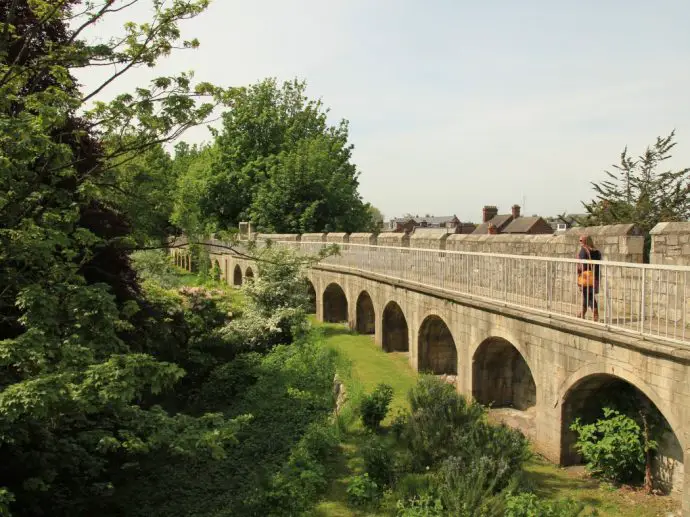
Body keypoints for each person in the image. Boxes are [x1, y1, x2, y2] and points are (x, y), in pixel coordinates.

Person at [576, 235, 601, 321]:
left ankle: (595, 314)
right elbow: (598, 266)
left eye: (581, 240)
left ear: (585, 241)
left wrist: (579, 273)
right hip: (594, 276)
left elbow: (582, 265)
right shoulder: (597, 251)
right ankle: (582, 313)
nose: (580, 242)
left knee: (589, 296)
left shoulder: (584, 250)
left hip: (585, 276)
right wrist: (597, 277)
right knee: (587, 295)